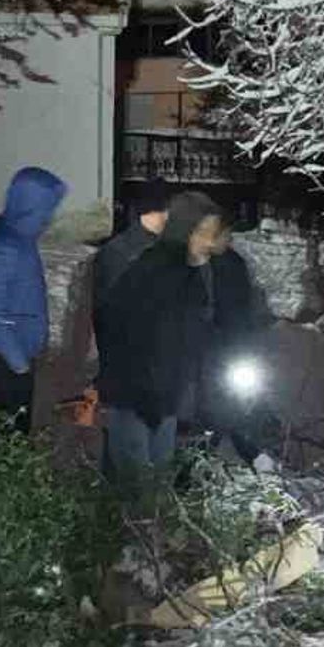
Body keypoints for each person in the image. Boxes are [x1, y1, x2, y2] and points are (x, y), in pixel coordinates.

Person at [91, 187, 238, 499]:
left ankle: (145, 544)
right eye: (204, 233)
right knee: (138, 494)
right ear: (185, 230)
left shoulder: (190, 272)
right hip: (135, 400)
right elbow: (125, 336)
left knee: (156, 492)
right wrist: (150, 400)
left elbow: (191, 336)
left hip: (163, 398)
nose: (211, 243)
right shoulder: (151, 271)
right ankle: (125, 546)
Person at [0, 167, 67, 434]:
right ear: (28, 206)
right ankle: (7, 474)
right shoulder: (3, 247)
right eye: (45, 209)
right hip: (4, 354)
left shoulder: (19, 237)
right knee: (12, 432)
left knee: (19, 426)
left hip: (18, 350)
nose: (49, 217)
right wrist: (18, 362)